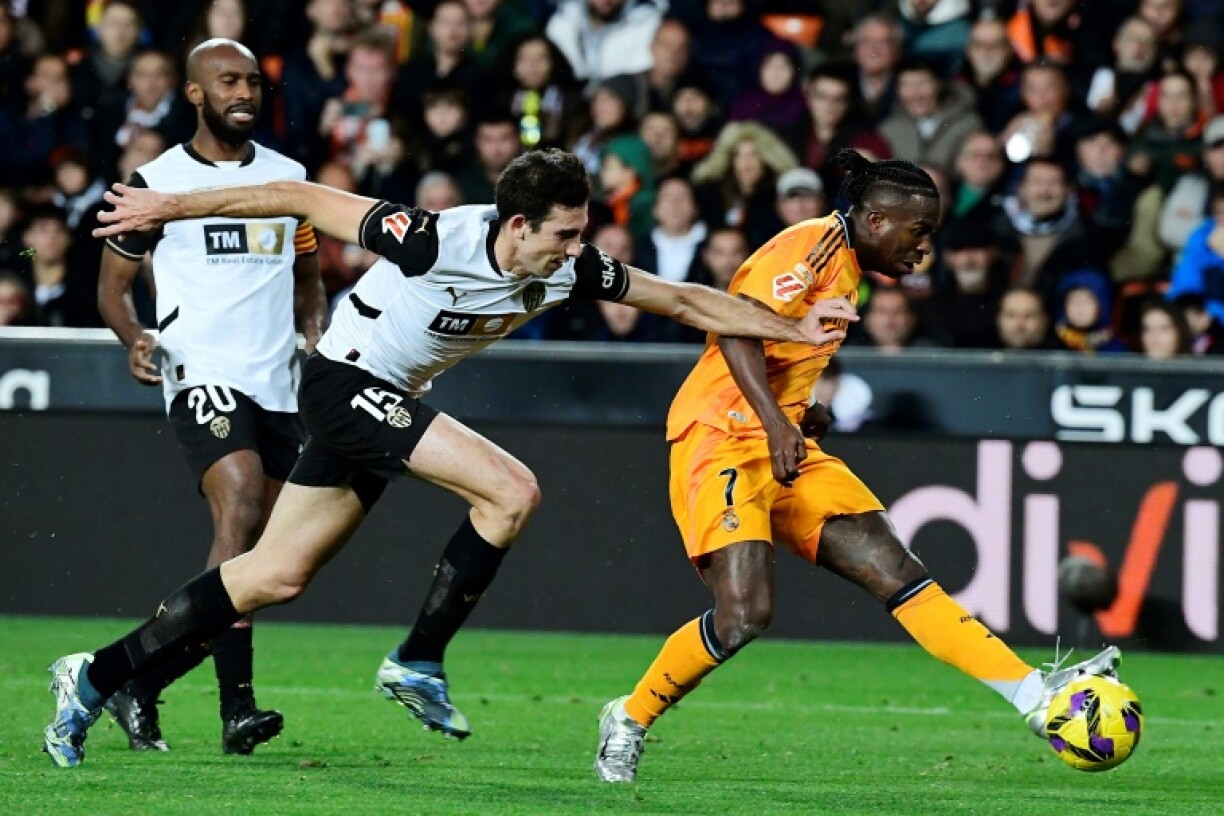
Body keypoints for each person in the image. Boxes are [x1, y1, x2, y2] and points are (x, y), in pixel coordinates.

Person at [43, 147, 858, 769]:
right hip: (341, 383)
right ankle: (417, 660)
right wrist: (169, 204)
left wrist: (791, 328)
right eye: (565, 234)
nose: (577, 249)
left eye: (582, 234)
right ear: (516, 227)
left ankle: (92, 675)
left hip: (376, 400)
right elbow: (294, 195)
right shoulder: (431, 238)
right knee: (509, 491)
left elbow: (683, 299)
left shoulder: (570, 268)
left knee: (272, 577)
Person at [592, 150, 1124, 783]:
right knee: (744, 615)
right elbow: (734, 329)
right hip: (720, 438)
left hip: (781, 439)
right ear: (875, 219)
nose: (926, 248)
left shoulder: (847, 266)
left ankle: (1036, 697)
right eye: (918, 231)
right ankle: (628, 718)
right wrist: (775, 420)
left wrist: (803, 412)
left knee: (896, 569)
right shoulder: (809, 247)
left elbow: (786, 347)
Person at [93, 38, 326, 758]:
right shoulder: (155, 181)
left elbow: (309, 278)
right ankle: (237, 710)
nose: (245, 93)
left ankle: (138, 678)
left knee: (271, 563)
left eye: (253, 82)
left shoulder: (290, 181)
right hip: (200, 371)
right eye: (228, 81)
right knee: (243, 505)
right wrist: (136, 336)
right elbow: (113, 288)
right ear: (194, 93)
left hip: (276, 384)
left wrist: (315, 338)